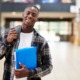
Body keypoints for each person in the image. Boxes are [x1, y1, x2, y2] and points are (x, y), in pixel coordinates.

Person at [0, 5, 53, 80]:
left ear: (36, 19)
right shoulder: (8, 33)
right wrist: (7, 42)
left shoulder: (41, 41)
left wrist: (29, 73)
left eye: (33, 15)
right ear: (23, 15)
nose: (30, 16)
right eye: (28, 13)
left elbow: (49, 66)